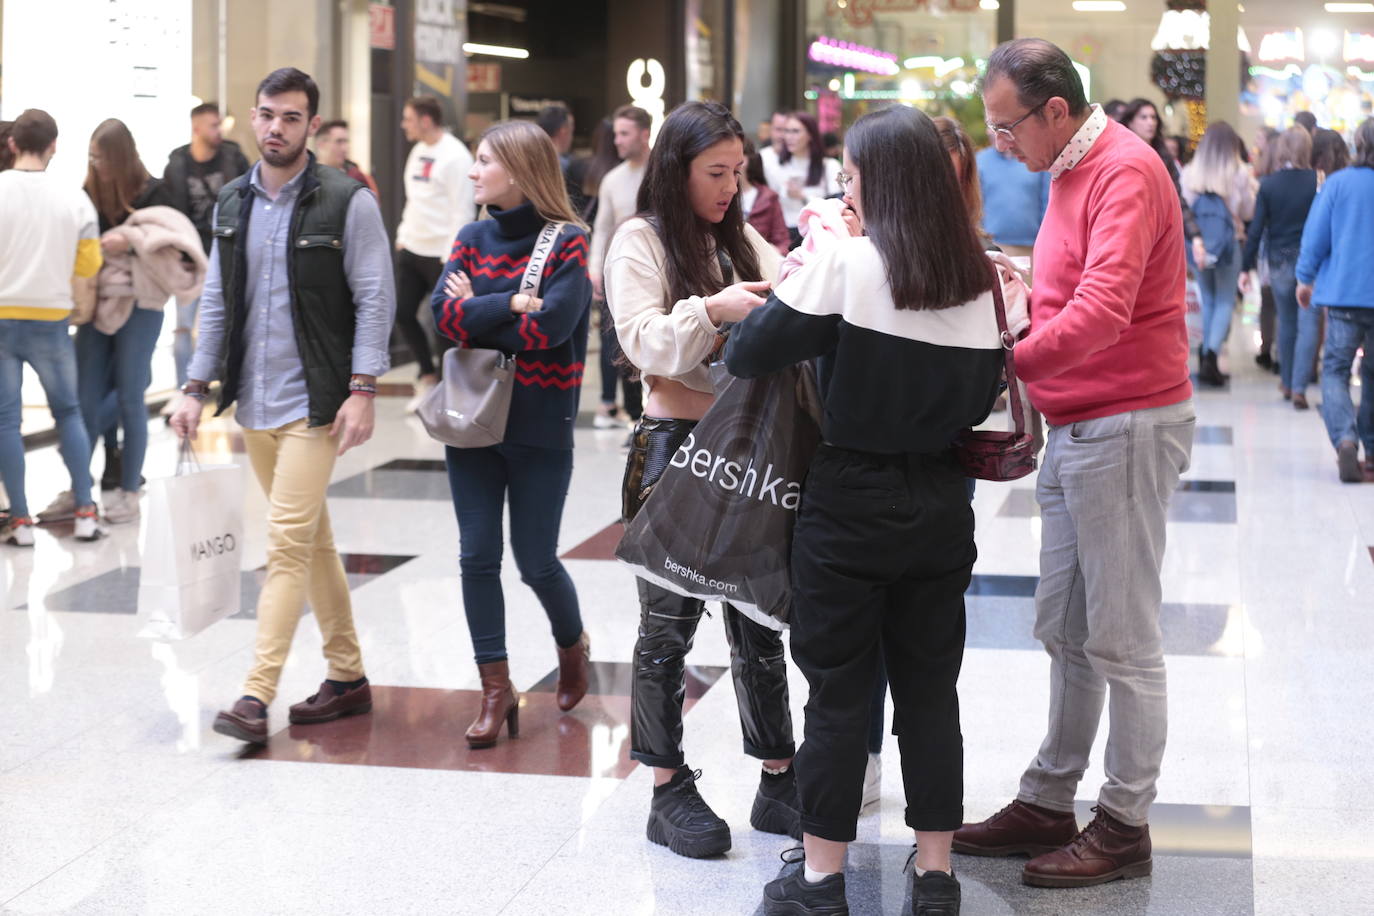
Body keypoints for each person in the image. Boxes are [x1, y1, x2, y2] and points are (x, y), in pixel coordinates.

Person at [727, 104, 1005, 916]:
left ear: (877, 183)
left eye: (849, 175)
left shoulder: (848, 264)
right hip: (942, 502)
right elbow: (984, 394)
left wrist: (816, 261)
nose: (843, 187)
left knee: (841, 694)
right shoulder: (981, 277)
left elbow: (750, 351)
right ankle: (936, 873)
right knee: (930, 690)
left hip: (849, 502)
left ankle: (820, 881)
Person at [955, 39, 1196, 890]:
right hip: (1080, 423)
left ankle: (1125, 821)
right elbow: (1064, 288)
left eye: (1006, 125)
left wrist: (1000, 366)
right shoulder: (1067, 169)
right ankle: (1050, 797)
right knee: (1066, 629)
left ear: (1055, 110)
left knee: (1124, 641)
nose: (1000, 144)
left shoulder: (1124, 171)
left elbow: (1101, 309)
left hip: (1126, 423)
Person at [170, 67, 396, 744]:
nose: (276, 128)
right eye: (267, 114)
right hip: (254, 401)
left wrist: (363, 389)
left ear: (312, 128)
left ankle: (254, 693)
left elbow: (375, 297)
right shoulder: (234, 203)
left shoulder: (346, 201)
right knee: (312, 538)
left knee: (286, 545)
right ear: (254, 115)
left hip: (315, 402)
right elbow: (216, 300)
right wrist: (194, 384)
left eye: (291, 118)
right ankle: (348, 676)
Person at [605, 100, 796, 860]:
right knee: (667, 629)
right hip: (675, 448)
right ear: (676, 168)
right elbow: (642, 340)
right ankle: (663, 784)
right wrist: (712, 309)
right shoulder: (641, 239)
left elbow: (791, 289)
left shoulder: (738, 238)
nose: (728, 187)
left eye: (737, 173)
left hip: (746, 451)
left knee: (759, 618)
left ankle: (780, 775)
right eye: (715, 173)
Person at [429, 120, 593, 747]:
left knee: (535, 560)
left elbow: (551, 330)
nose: (473, 172)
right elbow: (443, 318)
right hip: (471, 421)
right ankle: (495, 688)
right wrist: (513, 303)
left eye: (483, 161)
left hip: (539, 425)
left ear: (521, 171)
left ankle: (572, 644)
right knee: (475, 556)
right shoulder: (471, 236)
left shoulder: (569, 242)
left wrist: (484, 307)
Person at [0, 109, 105, 546]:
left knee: (6, 421)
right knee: (69, 413)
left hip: (2, 317)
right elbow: (89, 263)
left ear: (12, 145)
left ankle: (20, 520)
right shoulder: (74, 199)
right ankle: (84, 510)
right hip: (51, 319)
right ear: (54, 146)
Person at [74, 118, 176, 525]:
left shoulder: (155, 191)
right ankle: (80, 488)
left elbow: (173, 245)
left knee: (132, 396)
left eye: (100, 157)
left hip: (142, 303)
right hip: (97, 305)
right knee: (83, 398)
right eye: (91, 157)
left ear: (119, 156)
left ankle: (130, 490)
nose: (95, 164)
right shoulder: (88, 193)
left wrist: (130, 241)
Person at [1297, 118, 1374, 483]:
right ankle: (1372, 452)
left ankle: (1345, 438)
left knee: (1336, 370)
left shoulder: (1338, 184)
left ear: (1358, 143)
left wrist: (1304, 277)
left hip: (1344, 296)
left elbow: (1316, 237)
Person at [162, 102, 251, 402]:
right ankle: (182, 388)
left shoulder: (233, 159)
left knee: (229, 321)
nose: (218, 131)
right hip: (190, 257)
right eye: (213, 125)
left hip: (227, 253)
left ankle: (230, 382)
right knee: (184, 327)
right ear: (197, 128)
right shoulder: (177, 165)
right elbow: (171, 213)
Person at [395, 95, 475, 413]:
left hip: (442, 253)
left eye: (408, 118)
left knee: (443, 326)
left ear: (425, 120)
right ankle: (427, 376)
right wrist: (402, 235)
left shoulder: (456, 156)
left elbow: (462, 210)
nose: (404, 125)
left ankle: (445, 388)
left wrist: (451, 254)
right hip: (412, 247)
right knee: (402, 312)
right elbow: (413, 199)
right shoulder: (417, 151)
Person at [1241, 128, 1318, 407]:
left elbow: (1257, 229)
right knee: (1308, 323)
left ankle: (1285, 381)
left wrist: (1245, 266)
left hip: (1280, 261)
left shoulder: (1270, 184)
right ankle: (1299, 385)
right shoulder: (1317, 181)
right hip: (1312, 260)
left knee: (1286, 321)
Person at [589, 105, 653, 429]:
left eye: (624, 133)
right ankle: (629, 413)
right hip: (617, 273)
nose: (617, 141)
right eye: (616, 134)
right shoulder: (612, 179)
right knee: (617, 343)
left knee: (651, 343)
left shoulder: (662, 171)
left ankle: (653, 413)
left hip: (656, 272)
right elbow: (601, 227)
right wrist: (594, 269)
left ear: (644, 134)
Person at [1181, 121, 1256, 386]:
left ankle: (1205, 354)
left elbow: (1184, 208)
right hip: (1229, 243)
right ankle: (1211, 354)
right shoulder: (1239, 172)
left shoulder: (1190, 172)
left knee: (1209, 300)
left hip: (1200, 245)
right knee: (1225, 300)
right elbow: (1248, 211)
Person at [765, 111, 842, 248]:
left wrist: (803, 196)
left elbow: (837, 204)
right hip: (782, 235)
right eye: (786, 131)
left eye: (795, 131)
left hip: (818, 236)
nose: (789, 137)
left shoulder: (829, 166)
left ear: (810, 134)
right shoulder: (774, 165)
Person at [976, 129, 1050, 262]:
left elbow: (1048, 203)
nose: (991, 133)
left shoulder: (1035, 159)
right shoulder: (980, 161)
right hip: (993, 248)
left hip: (1032, 249)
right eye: (990, 128)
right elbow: (975, 204)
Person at [741, 143, 790, 254]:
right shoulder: (717, 196)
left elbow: (783, 242)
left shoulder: (769, 197)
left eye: (740, 156)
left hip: (761, 261)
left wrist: (770, 252)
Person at [315, 119, 379, 196]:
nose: (345, 148)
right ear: (321, 144)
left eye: (346, 142)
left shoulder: (358, 177)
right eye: (339, 141)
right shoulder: (306, 176)